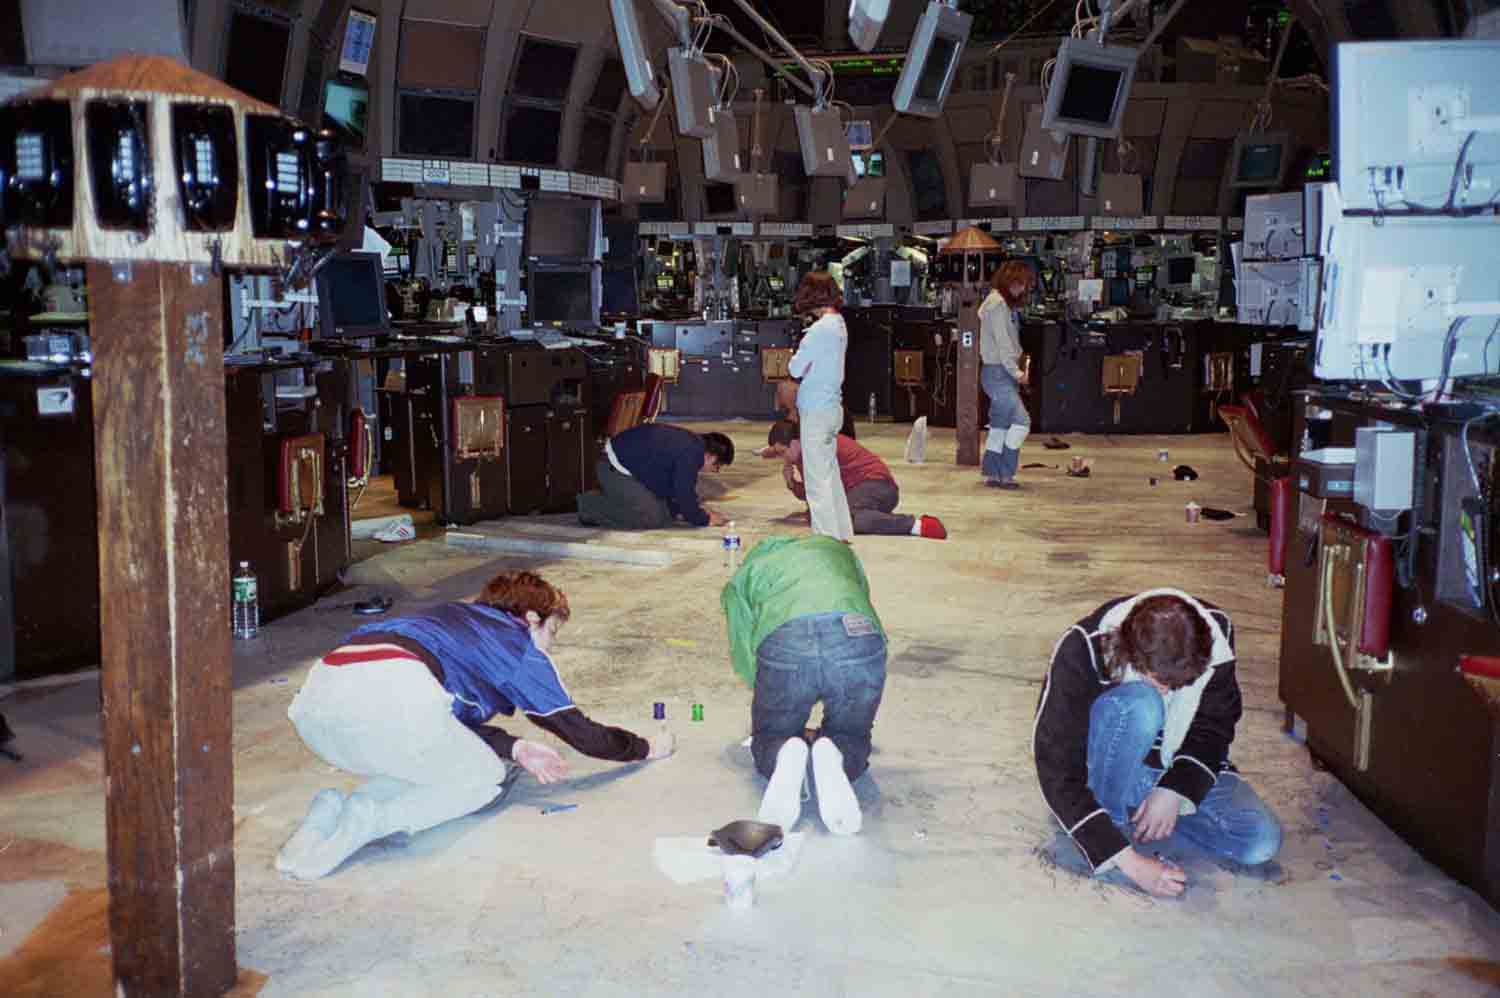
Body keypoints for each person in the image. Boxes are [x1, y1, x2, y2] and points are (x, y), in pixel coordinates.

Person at [276, 571, 675, 880]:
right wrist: (645, 747)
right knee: (484, 779)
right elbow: (577, 731)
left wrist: (515, 746)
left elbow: (446, 721)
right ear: (532, 618)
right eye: (552, 631)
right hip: (391, 700)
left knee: (434, 760)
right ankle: (370, 821)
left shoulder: (452, 619)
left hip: (317, 708)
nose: (550, 643)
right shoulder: (516, 641)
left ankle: (330, 813)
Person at [1032, 590, 1283, 897]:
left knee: (1259, 842)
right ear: (1129, 652)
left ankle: (1136, 810)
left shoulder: (1217, 635)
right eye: (1160, 681)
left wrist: (1175, 790)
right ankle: (1107, 823)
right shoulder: (1084, 646)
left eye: (1180, 686)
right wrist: (1132, 863)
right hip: (1107, 762)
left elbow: (1214, 727)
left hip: (1168, 766)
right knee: (1143, 704)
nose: (1168, 694)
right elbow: (1055, 765)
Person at [720, 535, 886, 835]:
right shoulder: (837, 550)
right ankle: (836, 754)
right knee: (852, 734)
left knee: (771, 736)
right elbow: (861, 597)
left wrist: (767, 687)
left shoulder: (750, 570)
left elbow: (742, 645)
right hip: (857, 636)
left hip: (786, 637)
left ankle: (784, 752)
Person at [764, 420, 946, 539]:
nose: (784, 458)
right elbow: (813, 493)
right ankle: (879, 518)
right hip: (866, 490)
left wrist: (796, 488)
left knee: (849, 521)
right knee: (840, 518)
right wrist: (791, 484)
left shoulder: (815, 449)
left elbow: (816, 494)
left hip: (877, 486)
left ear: (795, 441)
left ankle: (916, 525)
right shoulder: (806, 452)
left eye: (783, 451)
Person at [787, 272, 854, 541]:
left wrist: (798, 347)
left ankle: (825, 540)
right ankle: (841, 532)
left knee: (817, 481)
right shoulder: (839, 323)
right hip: (832, 408)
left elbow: (795, 368)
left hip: (815, 411)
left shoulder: (817, 330)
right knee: (830, 476)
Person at [576, 422, 734, 530]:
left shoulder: (691, 445)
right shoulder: (691, 453)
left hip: (628, 469)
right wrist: (704, 519)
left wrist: (688, 510)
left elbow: (671, 490)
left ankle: (612, 500)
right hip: (615, 469)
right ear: (712, 457)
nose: (714, 471)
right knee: (651, 517)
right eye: (717, 467)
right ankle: (590, 506)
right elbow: (683, 492)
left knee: (664, 513)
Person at [978, 260, 1036, 488]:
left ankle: (992, 473)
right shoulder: (998, 305)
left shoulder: (996, 304)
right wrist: (1018, 373)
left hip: (997, 373)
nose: (1022, 289)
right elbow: (1003, 344)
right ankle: (1005, 473)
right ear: (1010, 281)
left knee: (1000, 424)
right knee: (1022, 422)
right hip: (1000, 373)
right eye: (1020, 284)